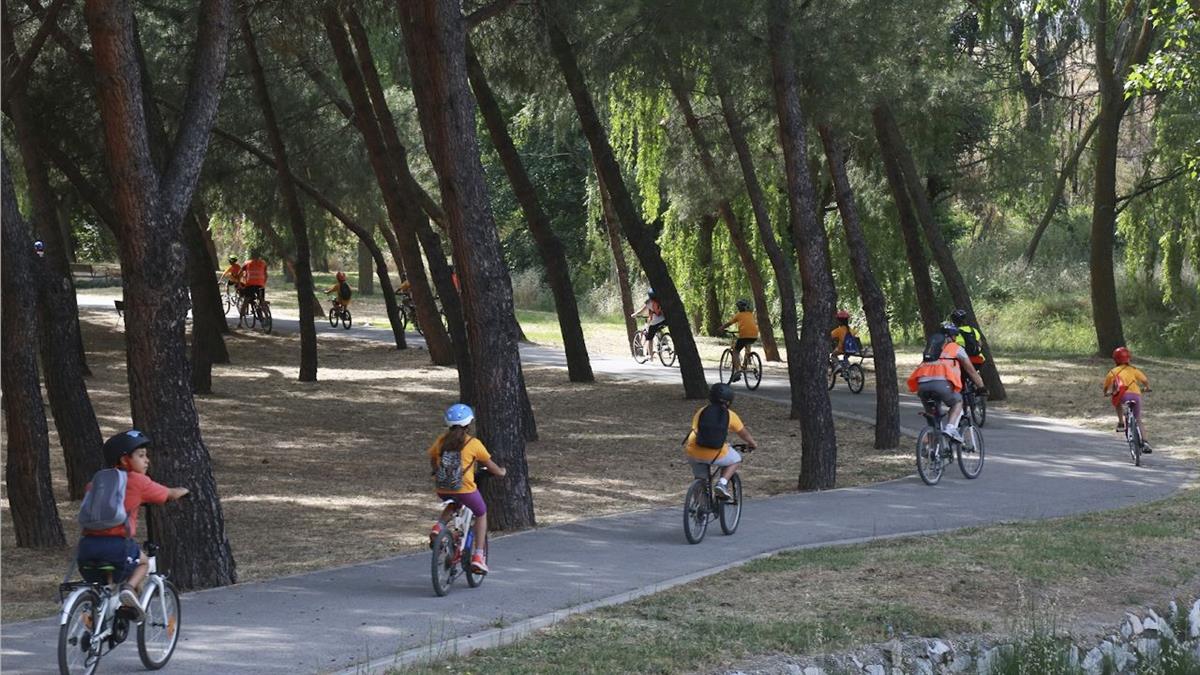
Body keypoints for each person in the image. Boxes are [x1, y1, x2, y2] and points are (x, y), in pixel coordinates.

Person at [77, 430, 189, 616]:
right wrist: (184, 490)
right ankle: (129, 588)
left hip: (86, 548)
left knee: (107, 585)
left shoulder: (97, 482)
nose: (147, 461)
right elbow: (168, 494)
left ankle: (98, 619)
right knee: (143, 563)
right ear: (124, 460)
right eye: (141, 455)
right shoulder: (138, 481)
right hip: (117, 547)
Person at [428, 404, 507, 574]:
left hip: (443, 488)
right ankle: (478, 557)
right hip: (465, 489)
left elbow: (433, 458)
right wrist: (501, 472)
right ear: (468, 424)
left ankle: (438, 527)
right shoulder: (473, 443)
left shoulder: (440, 442)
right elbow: (490, 466)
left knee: (454, 503)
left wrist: (437, 471)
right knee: (481, 513)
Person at [907, 322, 986, 443]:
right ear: (952, 336)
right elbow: (972, 371)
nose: (955, 339)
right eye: (955, 336)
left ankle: (929, 449)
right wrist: (981, 387)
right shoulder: (956, 348)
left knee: (933, 421)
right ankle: (951, 428)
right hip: (941, 384)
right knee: (957, 402)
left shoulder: (931, 348)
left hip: (922, 384)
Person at [685, 383, 758, 500]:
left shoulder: (701, 411)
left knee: (700, 479)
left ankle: (699, 508)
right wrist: (752, 444)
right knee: (736, 459)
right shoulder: (730, 415)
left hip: (693, 451)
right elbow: (743, 433)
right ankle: (722, 483)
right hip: (715, 453)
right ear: (729, 401)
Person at [1104, 347, 1152, 452]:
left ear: (1115, 359)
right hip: (1136, 396)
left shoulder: (1113, 371)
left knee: (1116, 399)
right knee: (1138, 419)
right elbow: (1145, 380)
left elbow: (1106, 385)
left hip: (1122, 395)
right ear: (1128, 358)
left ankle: (1121, 422)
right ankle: (1145, 442)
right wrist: (1147, 388)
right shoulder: (1134, 370)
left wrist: (1106, 392)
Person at [719, 299, 758, 383]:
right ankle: (747, 360)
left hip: (744, 335)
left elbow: (729, 323)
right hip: (754, 335)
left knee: (735, 352)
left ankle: (738, 371)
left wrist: (722, 328)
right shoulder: (751, 314)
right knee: (747, 344)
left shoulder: (738, 315)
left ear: (739, 308)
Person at [632, 289, 666, 355]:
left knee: (650, 337)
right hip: (664, 320)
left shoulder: (649, 302)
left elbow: (641, 311)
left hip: (655, 321)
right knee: (658, 329)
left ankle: (651, 357)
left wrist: (634, 314)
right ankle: (664, 342)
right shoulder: (661, 300)